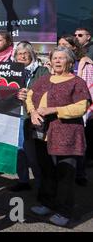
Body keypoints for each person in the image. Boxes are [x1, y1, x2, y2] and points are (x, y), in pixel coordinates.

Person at [26, 47, 91, 227]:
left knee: (65, 174)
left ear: (70, 61)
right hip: (42, 133)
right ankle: (47, 203)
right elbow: (30, 96)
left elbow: (81, 107)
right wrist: (32, 112)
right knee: (46, 170)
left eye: (62, 58)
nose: (57, 61)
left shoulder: (77, 82)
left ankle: (64, 211)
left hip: (67, 133)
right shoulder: (44, 79)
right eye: (55, 57)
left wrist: (54, 110)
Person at [8, 42, 48, 192]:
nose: (22, 56)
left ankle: (41, 185)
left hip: (31, 117)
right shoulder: (12, 71)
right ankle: (23, 180)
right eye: (19, 54)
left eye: (25, 53)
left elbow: (46, 92)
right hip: (15, 115)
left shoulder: (42, 71)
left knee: (33, 154)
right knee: (18, 151)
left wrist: (28, 92)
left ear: (32, 54)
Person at [58, 35, 93, 186]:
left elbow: (90, 90)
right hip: (60, 109)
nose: (60, 47)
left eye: (64, 45)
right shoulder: (55, 65)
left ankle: (80, 173)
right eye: (59, 44)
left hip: (80, 110)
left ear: (73, 47)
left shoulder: (84, 64)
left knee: (79, 143)